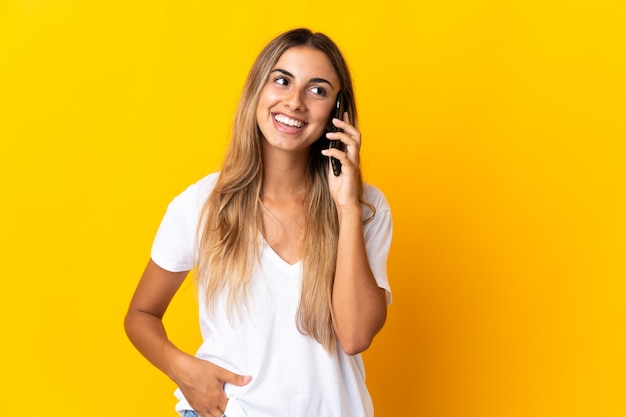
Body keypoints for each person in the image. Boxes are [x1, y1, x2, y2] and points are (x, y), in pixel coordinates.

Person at [124, 27, 392, 417]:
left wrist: (346, 208)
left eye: (317, 90)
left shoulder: (367, 208)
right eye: (282, 81)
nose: (295, 102)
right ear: (257, 91)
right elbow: (140, 314)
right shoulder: (201, 204)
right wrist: (183, 370)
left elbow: (354, 336)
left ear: (339, 113)